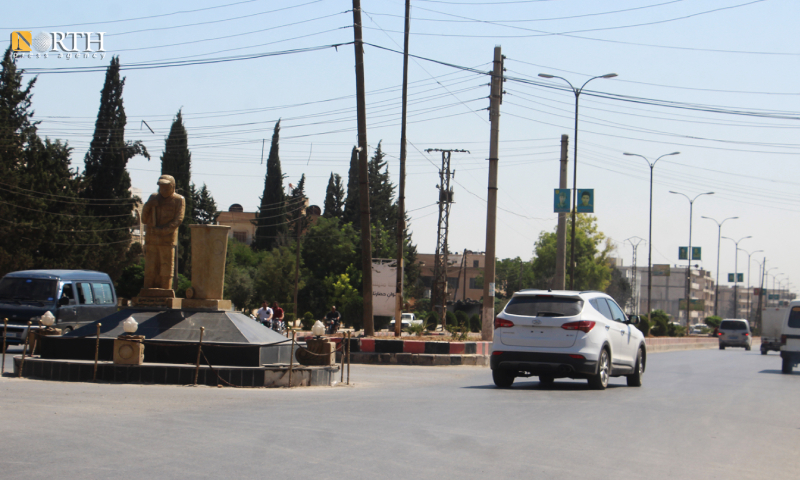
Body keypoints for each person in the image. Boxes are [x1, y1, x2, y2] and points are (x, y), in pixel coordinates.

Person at [141, 175, 185, 290]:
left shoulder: (179, 200)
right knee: (150, 267)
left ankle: (165, 289)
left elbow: (178, 220)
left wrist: (162, 231)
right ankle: (148, 289)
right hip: (151, 239)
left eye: (166, 188)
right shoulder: (153, 198)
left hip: (167, 240)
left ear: (173, 187)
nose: (163, 191)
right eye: (161, 188)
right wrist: (148, 206)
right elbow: (144, 219)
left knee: (166, 267)